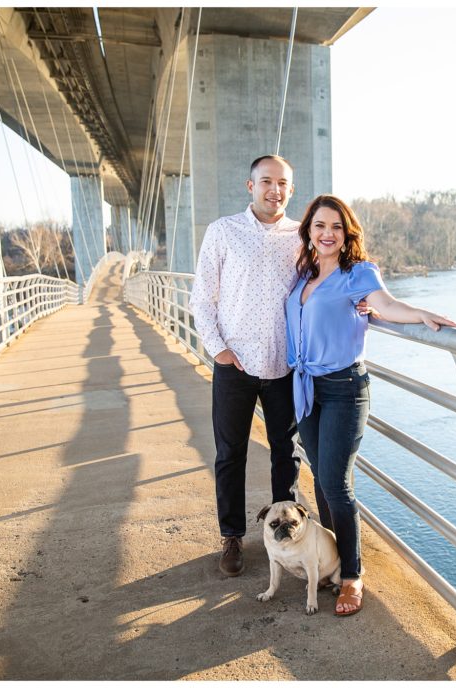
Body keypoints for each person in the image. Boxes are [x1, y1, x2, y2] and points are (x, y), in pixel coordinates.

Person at [286, 194, 456, 616]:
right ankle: (330, 558)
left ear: (347, 235)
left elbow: (385, 304)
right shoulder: (302, 274)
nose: (328, 234)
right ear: (309, 230)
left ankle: (352, 575)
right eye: (320, 226)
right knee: (320, 481)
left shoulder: (358, 273)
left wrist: (419, 314)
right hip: (306, 387)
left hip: (345, 387)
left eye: (336, 227)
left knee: (336, 484)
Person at [190, 155, 302, 577]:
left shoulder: (302, 236)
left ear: (291, 190)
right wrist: (217, 349)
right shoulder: (223, 232)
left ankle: (284, 534)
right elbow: (202, 297)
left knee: (285, 454)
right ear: (249, 185)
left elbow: (325, 281)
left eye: (283, 183)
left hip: (284, 364)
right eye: (266, 181)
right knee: (230, 454)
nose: (275, 190)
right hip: (234, 363)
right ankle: (233, 536)